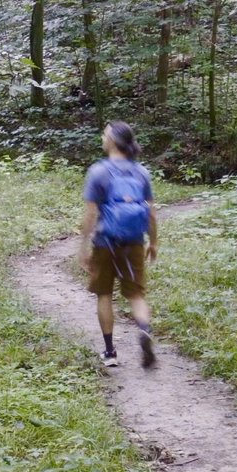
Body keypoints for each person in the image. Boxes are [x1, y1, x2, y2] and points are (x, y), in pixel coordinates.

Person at [81, 122, 158, 369]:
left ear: (113, 139)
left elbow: (91, 213)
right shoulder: (141, 172)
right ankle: (144, 331)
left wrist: (83, 245)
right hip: (134, 241)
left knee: (104, 294)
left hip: (106, 241)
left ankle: (110, 351)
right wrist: (153, 242)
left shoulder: (98, 171)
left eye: (104, 134)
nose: (102, 137)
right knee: (136, 294)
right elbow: (151, 213)